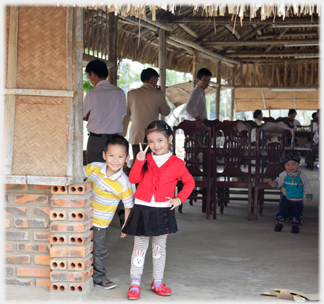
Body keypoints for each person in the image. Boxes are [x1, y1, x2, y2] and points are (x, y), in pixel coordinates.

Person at [121, 120, 195, 300]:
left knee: (158, 249)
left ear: (169, 138)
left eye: (160, 140)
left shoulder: (177, 163)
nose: (156, 145)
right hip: (142, 209)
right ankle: (135, 284)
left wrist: (179, 199)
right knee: (139, 248)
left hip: (163, 210)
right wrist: (138, 162)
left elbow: (189, 183)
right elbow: (133, 178)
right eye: (151, 141)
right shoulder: (144, 159)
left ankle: (157, 282)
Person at [83, 135, 134, 289]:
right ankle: (80, 273)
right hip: (82, 217)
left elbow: (128, 206)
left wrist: (126, 225)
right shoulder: (94, 168)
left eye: (120, 156)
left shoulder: (124, 183)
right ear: (104, 155)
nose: (115, 160)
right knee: (80, 243)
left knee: (98, 249)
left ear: (127, 158)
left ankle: (99, 277)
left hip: (100, 222)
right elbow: (77, 177)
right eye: (111, 155)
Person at [121, 68, 170, 159]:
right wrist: (161, 95)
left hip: (136, 135)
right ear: (152, 78)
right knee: (153, 163)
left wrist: (122, 133)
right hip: (154, 136)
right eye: (156, 80)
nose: (156, 82)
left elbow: (126, 114)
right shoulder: (158, 94)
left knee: (138, 162)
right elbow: (166, 112)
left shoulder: (132, 94)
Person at [83, 59, 126, 164]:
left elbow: (81, 114)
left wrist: (90, 116)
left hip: (97, 141)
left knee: (94, 172)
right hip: (116, 140)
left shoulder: (92, 93)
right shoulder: (119, 93)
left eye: (88, 77)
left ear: (92, 74)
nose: (90, 80)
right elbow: (122, 113)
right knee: (113, 171)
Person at [269, 153, 313, 234]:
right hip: (286, 198)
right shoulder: (283, 175)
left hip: (298, 200)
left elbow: (306, 185)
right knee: (282, 211)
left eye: (293, 164)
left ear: (298, 165)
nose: (291, 167)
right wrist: (275, 184)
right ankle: (279, 223)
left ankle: (295, 226)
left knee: (297, 213)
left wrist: (308, 194)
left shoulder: (302, 176)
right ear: (284, 166)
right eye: (288, 164)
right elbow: (279, 181)